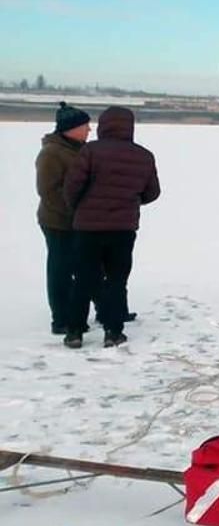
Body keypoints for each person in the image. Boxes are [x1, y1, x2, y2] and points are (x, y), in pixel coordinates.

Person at [62, 107, 161, 348]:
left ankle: (74, 332)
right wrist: (130, 200)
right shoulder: (144, 156)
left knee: (83, 279)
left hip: (87, 228)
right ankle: (113, 332)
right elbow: (152, 192)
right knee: (117, 280)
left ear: (103, 126)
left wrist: (81, 207)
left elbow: (72, 187)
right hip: (123, 229)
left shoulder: (89, 151)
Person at [36, 102, 90, 335]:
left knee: (79, 268)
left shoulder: (77, 149)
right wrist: (76, 211)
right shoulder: (51, 153)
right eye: (85, 126)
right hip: (58, 223)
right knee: (60, 270)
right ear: (71, 128)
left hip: (78, 222)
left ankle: (74, 315)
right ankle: (60, 319)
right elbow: (49, 192)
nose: (89, 130)